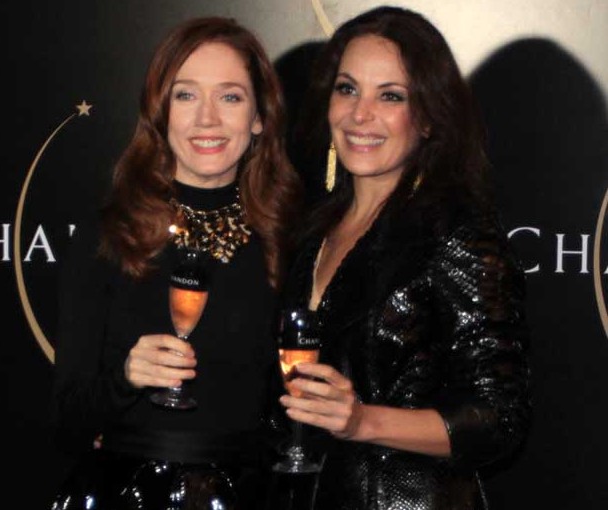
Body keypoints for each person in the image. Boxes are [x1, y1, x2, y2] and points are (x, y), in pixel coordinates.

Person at [280, 5, 531, 510]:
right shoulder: (313, 229)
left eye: (391, 96)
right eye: (347, 89)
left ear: (430, 119)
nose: (360, 114)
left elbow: (498, 419)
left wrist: (362, 421)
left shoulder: (456, 234)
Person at [50, 16, 301, 510]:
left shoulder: (288, 238)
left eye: (230, 97)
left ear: (259, 117)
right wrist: (126, 376)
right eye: (186, 95)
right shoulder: (110, 234)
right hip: (124, 495)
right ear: (161, 111)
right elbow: (67, 422)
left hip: (249, 496)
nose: (207, 119)